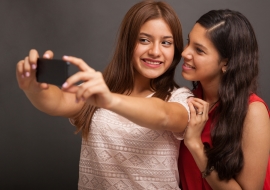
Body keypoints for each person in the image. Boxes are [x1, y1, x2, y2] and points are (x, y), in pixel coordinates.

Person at [16, 1, 192, 189]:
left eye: (166, 42)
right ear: (128, 43)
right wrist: (32, 88)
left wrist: (110, 100)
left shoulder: (180, 97)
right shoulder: (98, 90)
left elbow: (164, 115)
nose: (155, 51)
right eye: (144, 40)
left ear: (175, 50)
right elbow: (58, 101)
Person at [178, 9, 270, 189]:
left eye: (199, 50)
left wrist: (196, 146)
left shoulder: (253, 111)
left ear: (226, 62)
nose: (185, 53)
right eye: (189, 42)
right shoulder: (186, 100)